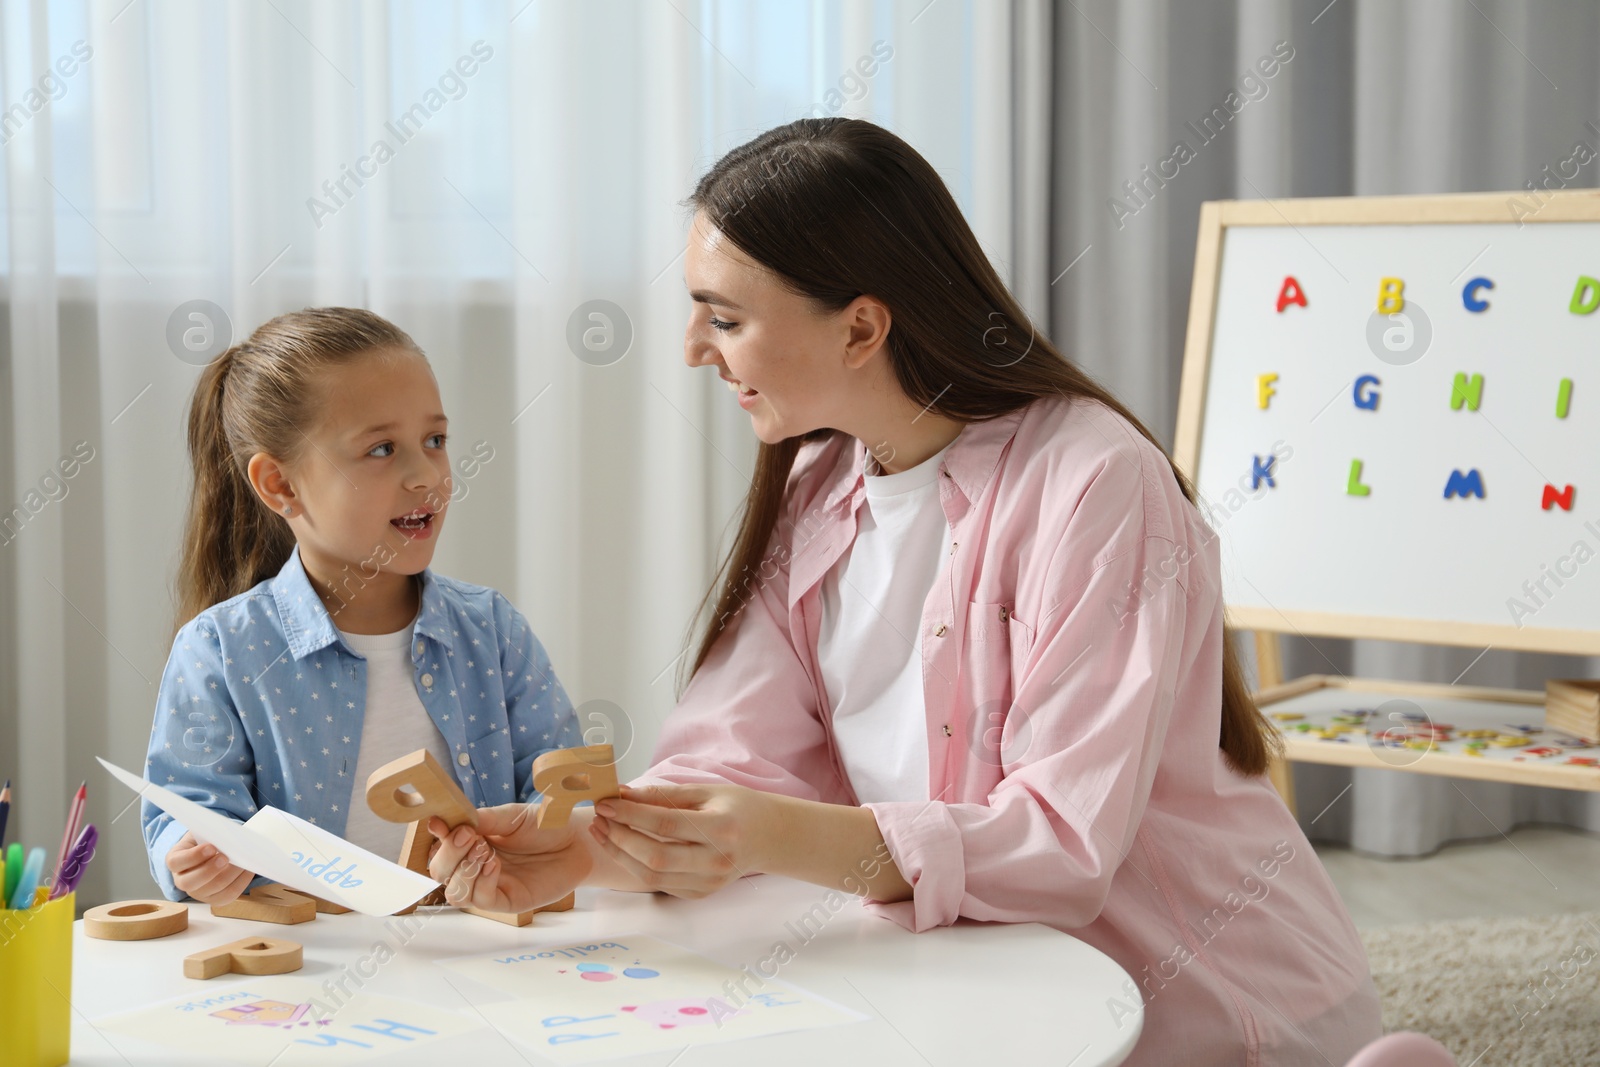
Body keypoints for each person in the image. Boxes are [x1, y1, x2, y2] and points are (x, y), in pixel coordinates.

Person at [427, 118, 1382, 1065]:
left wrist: (777, 836)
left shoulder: (1097, 480)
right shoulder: (818, 488)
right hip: (985, 981)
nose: (690, 348)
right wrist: (584, 847)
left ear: (862, 327)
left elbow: (1060, 845)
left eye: (723, 317)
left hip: (1205, 1006)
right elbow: (738, 755)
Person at [141, 307, 580, 903]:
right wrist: (188, 856)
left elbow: (562, 788)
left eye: (435, 440)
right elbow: (187, 808)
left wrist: (544, 838)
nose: (426, 474)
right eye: (381, 449)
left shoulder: (492, 630)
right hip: (311, 969)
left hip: (474, 949)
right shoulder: (221, 648)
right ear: (280, 485)